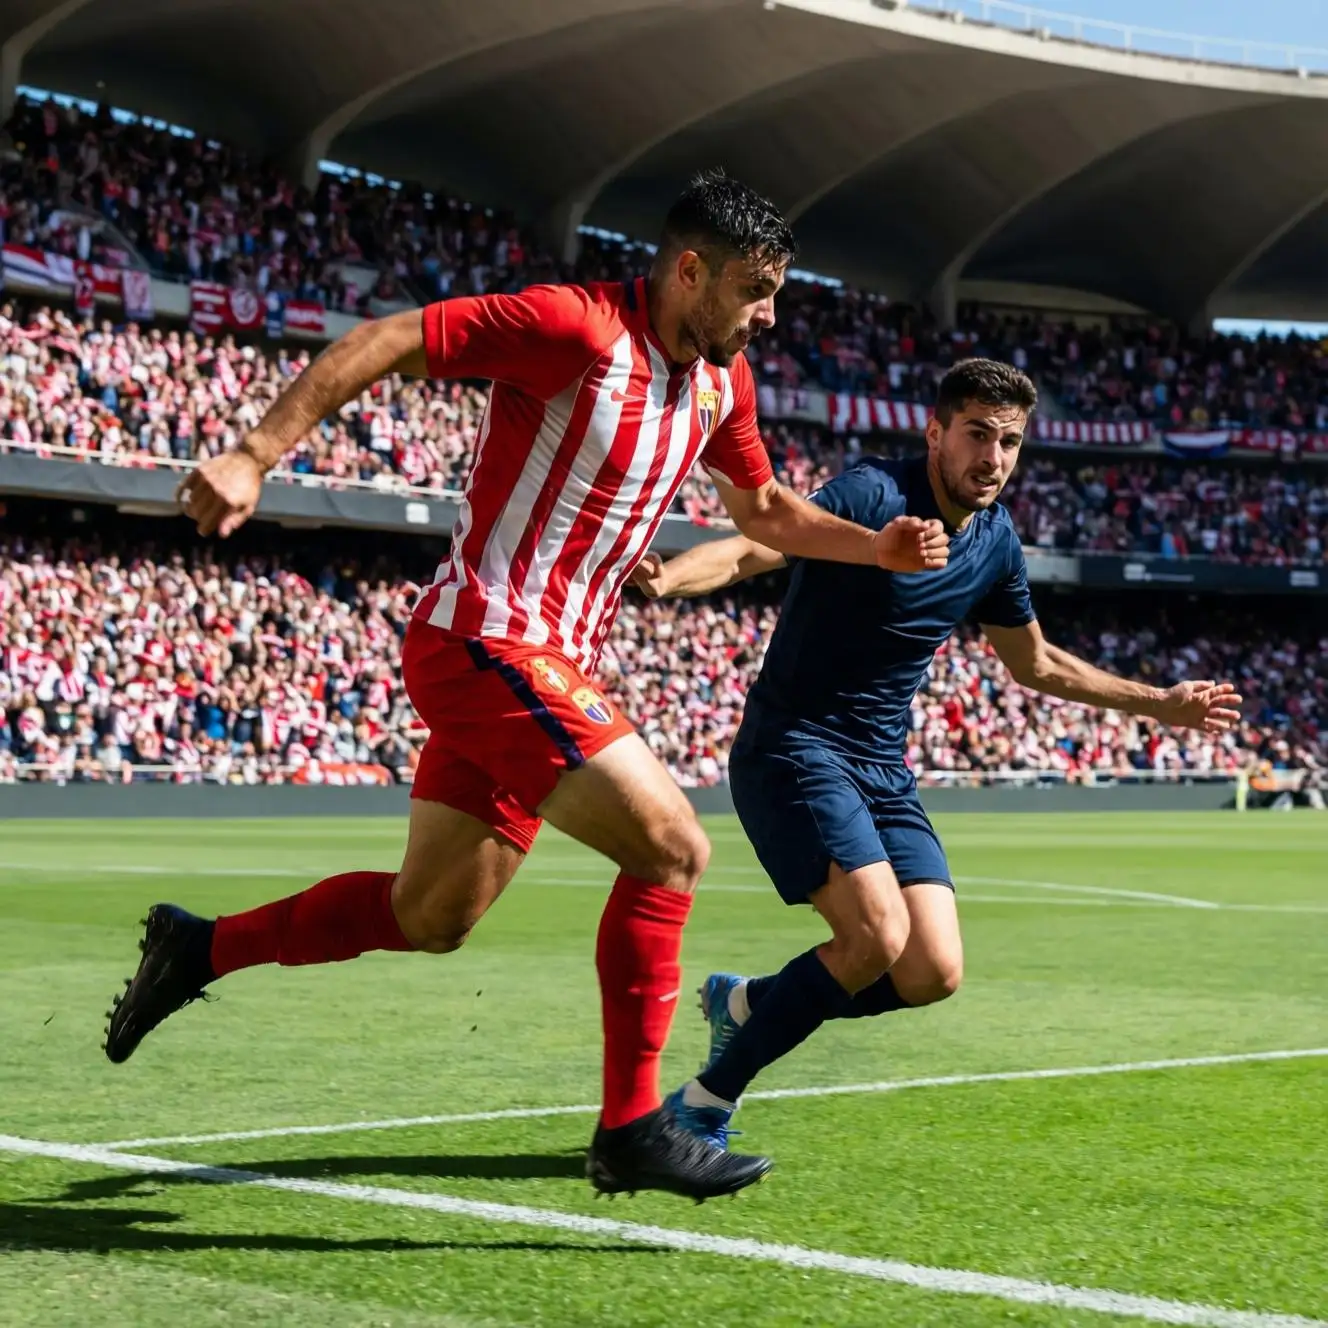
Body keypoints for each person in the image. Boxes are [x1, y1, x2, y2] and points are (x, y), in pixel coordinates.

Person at [102, 169, 951, 1202]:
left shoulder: (723, 381)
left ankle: (199, 947)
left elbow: (765, 505)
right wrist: (252, 453)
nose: (768, 314)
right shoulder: (573, 329)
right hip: (487, 640)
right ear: (689, 270)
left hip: (544, 665)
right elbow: (390, 337)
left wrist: (875, 548)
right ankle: (632, 1125)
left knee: (431, 914)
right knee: (673, 845)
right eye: (753, 288)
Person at [628, 358, 1243, 1150]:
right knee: (874, 938)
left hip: (884, 768)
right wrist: (675, 577)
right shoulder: (872, 496)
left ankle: (747, 1001)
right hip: (795, 749)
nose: (992, 458)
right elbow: (755, 547)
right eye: (978, 434)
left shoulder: (995, 542)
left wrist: (1159, 703)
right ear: (935, 433)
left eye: (1010, 442)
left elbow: (1038, 665)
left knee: (930, 972)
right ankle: (701, 1104)